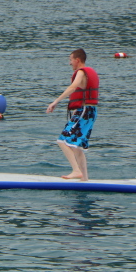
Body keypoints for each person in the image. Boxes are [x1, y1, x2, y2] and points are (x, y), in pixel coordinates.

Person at [45, 48, 99, 180]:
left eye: (71, 60)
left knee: (62, 140)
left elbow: (73, 87)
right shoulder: (88, 73)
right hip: (88, 111)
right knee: (75, 145)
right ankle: (84, 178)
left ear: (77, 60)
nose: (70, 63)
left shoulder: (81, 72)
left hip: (85, 111)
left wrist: (55, 102)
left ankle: (76, 170)